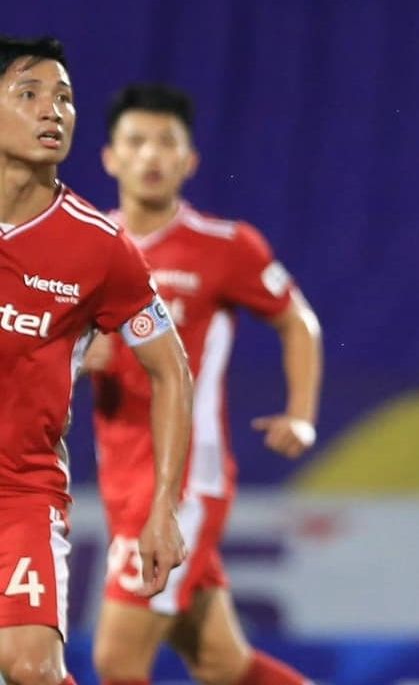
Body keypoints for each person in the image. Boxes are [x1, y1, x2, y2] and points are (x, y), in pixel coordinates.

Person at [83, 83, 323, 685]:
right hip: (120, 475)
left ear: (190, 162)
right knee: (222, 663)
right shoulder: (86, 249)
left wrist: (301, 412)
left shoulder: (225, 247)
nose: (151, 156)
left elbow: (297, 320)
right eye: (136, 142)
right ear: (110, 157)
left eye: (167, 142)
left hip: (185, 479)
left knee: (117, 659)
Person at [0, 37, 190, 685]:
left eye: (65, 98)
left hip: (18, 493)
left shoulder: (100, 247)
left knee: (31, 669)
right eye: (29, 94)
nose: (53, 110)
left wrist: (163, 507)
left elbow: (172, 371)